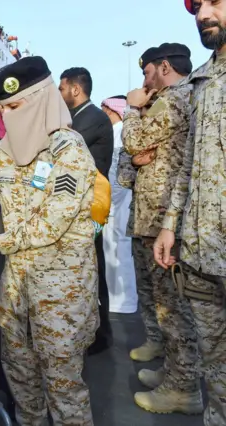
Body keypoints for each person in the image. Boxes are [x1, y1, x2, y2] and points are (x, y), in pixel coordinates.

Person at [0, 56, 98, 426]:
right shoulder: (6, 151)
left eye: (16, 106)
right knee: (22, 383)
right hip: (15, 292)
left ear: (42, 99)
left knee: (64, 392)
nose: (9, 116)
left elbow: (52, 223)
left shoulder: (69, 150)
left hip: (62, 294)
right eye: (3, 109)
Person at [154, 3, 226, 424]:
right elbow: (188, 164)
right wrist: (169, 225)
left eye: (216, 2)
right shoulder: (202, 79)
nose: (204, 14)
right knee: (215, 370)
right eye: (198, 6)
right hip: (201, 254)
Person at [121, 43, 202, 414]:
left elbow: (135, 140)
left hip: (165, 221)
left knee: (173, 308)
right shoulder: (175, 99)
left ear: (163, 67)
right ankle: (175, 373)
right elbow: (137, 154)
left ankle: (183, 387)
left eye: (147, 72)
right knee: (166, 304)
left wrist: (134, 108)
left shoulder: (171, 100)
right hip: (157, 218)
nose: (144, 80)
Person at [59, 66, 114, 355]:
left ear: (75, 89)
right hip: (79, 207)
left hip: (90, 208)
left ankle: (100, 335)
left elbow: (63, 153)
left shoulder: (91, 119)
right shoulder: (80, 118)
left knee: (93, 270)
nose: (60, 93)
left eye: (62, 88)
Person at [100, 95, 137, 315]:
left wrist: (108, 203)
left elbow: (117, 175)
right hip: (119, 203)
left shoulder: (118, 133)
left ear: (111, 110)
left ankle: (121, 302)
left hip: (117, 204)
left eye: (103, 109)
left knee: (118, 251)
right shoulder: (118, 132)